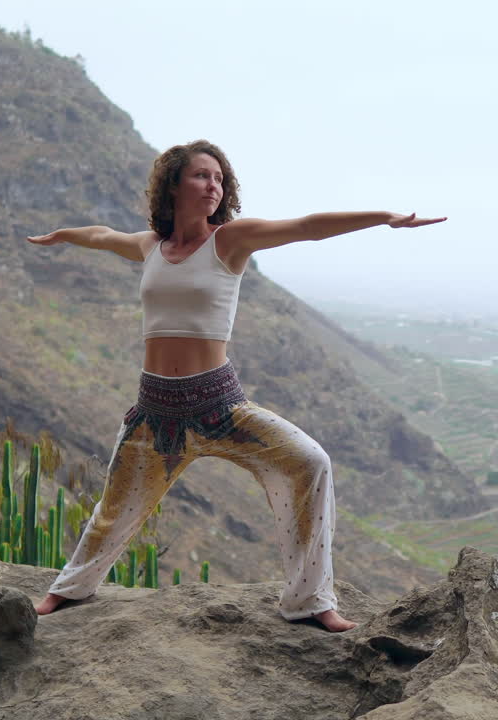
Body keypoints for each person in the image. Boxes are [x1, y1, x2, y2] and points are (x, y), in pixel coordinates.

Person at [25, 139, 445, 632]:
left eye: (220, 179)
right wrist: (63, 236)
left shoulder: (230, 240)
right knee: (112, 513)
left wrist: (383, 217)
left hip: (220, 407)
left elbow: (308, 228)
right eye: (202, 176)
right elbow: (101, 235)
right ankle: (67, 590)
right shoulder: (150, 247)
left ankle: (311, 600)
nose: (213, 185)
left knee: (310, 462)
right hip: (156, 412)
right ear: (174, 184)